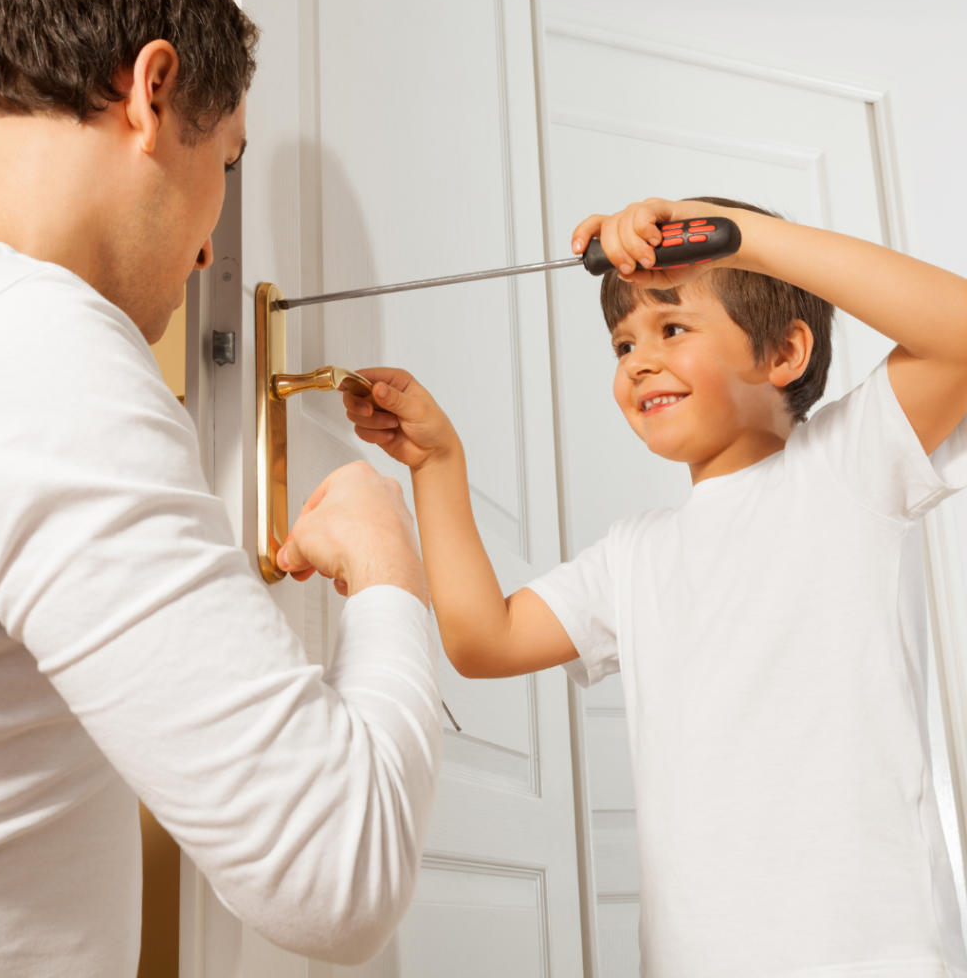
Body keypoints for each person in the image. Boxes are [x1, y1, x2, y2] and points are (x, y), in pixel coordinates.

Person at [0, 0, 442, 975]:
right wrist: (390, 570)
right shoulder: (27, 343)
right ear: (151, 90)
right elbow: (334, 872)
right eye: (228, 159)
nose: (215, 250)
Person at [334, 194, 967, 976]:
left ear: (784, 354)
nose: (637, 360)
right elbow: (479, 638)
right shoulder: (636, 555)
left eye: (672, 328)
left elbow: (959, 332)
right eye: (623, 342)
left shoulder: (848, 468)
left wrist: (733, 237)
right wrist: (437, 464)